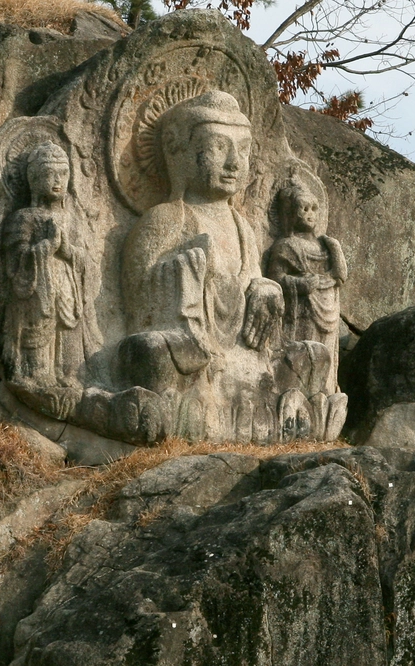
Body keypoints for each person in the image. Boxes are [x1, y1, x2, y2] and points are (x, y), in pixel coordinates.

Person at [119, 90, 284, 440]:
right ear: (178, 152)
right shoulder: (166, 219)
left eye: (243, 149)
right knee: (151, 351)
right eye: (218, 147)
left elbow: (251, 279)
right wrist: (184, 271)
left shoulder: (243, 228)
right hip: (190, 352)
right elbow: (136, 298)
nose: (234, 163)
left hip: (241, 356)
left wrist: (266, 288)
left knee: (312, 355)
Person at [0, 142, 88, 417]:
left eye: (63, 174)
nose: (58, 181)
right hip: (37, 291)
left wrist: (67, 251)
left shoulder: (72, 218)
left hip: (66, 290)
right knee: (38, 334)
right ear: (34, 179)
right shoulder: (23, 218)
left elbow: (83, 259)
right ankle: (34, 377)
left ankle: (64, 376)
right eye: (50, 174)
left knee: (67, 340)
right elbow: (14, 261)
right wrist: (47, 247)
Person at [266, 174, 347, 394]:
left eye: (314, 209)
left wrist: (335, 247)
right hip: (301, 311)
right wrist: (300, 284)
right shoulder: (286, 245)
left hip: (328, 307)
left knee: (327, 356)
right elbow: (276, 279)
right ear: (290, 214)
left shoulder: (325, 245)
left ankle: (324, 393)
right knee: (306, 353)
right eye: (304, 209)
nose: (310, 214)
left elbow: (340, 275)